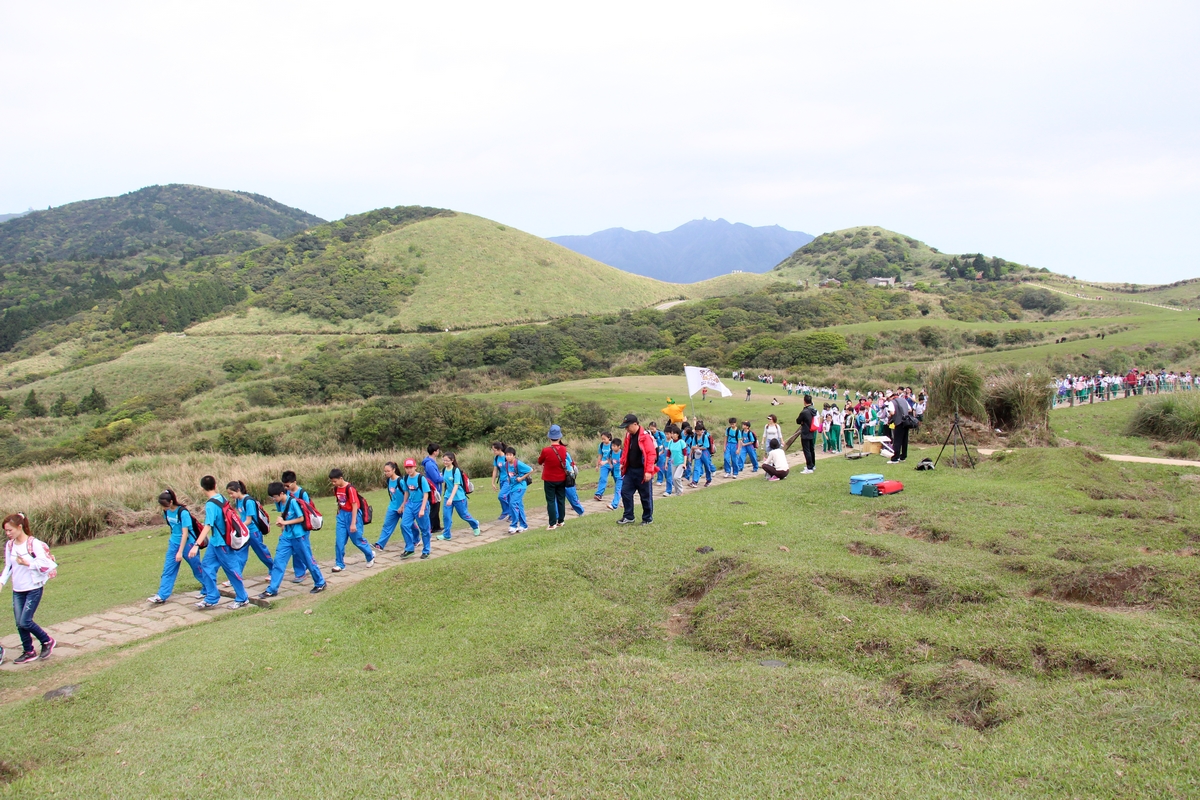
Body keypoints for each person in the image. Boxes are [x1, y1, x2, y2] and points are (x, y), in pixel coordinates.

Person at [1, 512, 57, 664]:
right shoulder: (10, 545)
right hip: (17, 590)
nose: (7, 534)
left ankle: (47, 641)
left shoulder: (34, 544)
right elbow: (8, 566)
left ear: (20, 527)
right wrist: (1, 582)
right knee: (19, 622)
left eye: (10, 530)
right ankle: (28, 651)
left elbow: (47, 564)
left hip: (33, 588)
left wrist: (28, 563)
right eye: (5, 531)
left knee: (25, 621)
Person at [258, 483, 327, 599]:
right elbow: (284, 515)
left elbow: (301, 518)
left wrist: (285, 523)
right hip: (286, 537)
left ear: (281, 493)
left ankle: (320, 583)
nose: (274, 499)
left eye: (274, 497)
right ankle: (272, 589)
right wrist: (282, 523)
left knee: (308, 560)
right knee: (279, 562)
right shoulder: (280, 503)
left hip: (299, 536)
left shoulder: (293, 502)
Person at [193, 475, 249, 610]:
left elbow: (208, 525)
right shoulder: (221, 498)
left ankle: (242, 598)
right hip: (215, 542)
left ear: (202, 489)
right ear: (215, 485)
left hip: (223, 542)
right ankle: (211, 597)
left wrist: (196, 545)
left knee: (231, 569)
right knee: (206, 566)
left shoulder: (211, 504)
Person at [148, 489, 210, 604]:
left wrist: (180, 552)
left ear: (171, 502)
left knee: (197, 568)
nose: (163, 508)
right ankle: (162, 595)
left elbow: (185, 534)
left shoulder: (183, 513)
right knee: (168, 569)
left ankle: (209, 588)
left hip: (188, 544)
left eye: (165, 505)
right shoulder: (166, 512)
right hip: (174, 543)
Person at [329, 468, 375, 572]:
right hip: (342, 515)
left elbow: (355, 506)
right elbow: (339, 502)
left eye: (335, 481)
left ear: (341, 478)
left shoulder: (350, 489)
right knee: (339, 541)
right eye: (332, 481)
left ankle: (370, 555)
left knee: (357, 540)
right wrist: (339, 513)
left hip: (353, 515)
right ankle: (339, 564)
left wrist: (353, 523)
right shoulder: (336, 489)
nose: (333, 483)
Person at [227, 481, 274, 577]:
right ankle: (236, 576)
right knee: (239, 555)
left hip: (253, 532)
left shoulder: (249, 501)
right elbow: (242, 517)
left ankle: (274, 569)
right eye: (229, 494)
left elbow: (249, 520)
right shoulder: (237, 501)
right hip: (244, 532)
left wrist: (238, 528)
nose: (231, 496)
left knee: (262, 552)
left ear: (238, 490)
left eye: (232, 493)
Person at [617, 413, 656, 526]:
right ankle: (629, 516)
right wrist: (622, 463)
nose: (627, 429)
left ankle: (647, 518)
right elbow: (625, 451)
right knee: (625, 492)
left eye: (628, 426)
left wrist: (649, 471)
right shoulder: (628, 436)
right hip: (630, 470)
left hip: (642, 471)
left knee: (645, 496)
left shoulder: (645, 436)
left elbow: (651, 454)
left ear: (635, 424)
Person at [280, 470, 312, 584]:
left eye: (287, 485)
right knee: (296, 550)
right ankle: (300, 572)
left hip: (302, 526)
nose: (286, 487)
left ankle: (308, 568)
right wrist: (283, 528)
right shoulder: (285, 493)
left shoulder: (302, 493)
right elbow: (283, 512)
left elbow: (307, 511)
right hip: (290, 527)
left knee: (303, 549)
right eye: (284, 485)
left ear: (294, 482)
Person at [441, 451, 481, 538]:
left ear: (452, 460)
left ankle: (475, 525)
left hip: (458, 497)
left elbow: (456, 485)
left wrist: (451, 499)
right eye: (444, 460)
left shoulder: (456, 470)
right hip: (448, 496)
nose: (445, 462)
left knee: (464, 515)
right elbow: (446, 483)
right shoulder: (444, 470)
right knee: (446, 516)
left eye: (447, 460)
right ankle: (446, 534)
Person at [537, 424, 570, 530]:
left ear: (549, 437)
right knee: (561, 499)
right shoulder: (564, 449)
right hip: (561, 478)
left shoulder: (545, 450)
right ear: (560, 437)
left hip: (549, 479)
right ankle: (561, 520)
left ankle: (552, 523)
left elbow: (539, 461)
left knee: (551, 501)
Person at [399, 458, 432, 558]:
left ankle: (426, 550)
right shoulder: (405, 478)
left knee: (424, 529)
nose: (409, 470)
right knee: (404, 525)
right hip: (410, 504)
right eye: (407, 468)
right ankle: (409, 548)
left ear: (415, 467)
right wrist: (403, 505)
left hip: (421, 504)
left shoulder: (421, 478)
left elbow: (426, 494)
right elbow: (406, 492)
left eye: (411, 467)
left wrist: (422, 509)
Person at [372, 461, 404, 551]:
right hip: (393, 507)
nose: (386, 473)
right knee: (387, 525)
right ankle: (380, 544)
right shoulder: (389, 481)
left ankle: (416, 539)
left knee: (407, 525)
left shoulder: (400, 481)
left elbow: (407, 494)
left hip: (403, 507)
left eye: (388, 471)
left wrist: (402, 506)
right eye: (385, 471)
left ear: (394, 470)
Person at [504, 447, 533, 533]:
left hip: (520, 486)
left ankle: (514, 525)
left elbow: (530, 470)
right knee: (519, 506)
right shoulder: (506, 464)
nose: (508, 457)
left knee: (513, 503)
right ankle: (524, 525)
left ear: (514, 456)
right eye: (507, 455)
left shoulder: (518, 464)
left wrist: (522, 478)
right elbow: (509, 474)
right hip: (513, 487)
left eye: (510, 455)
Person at [423, 444, 445, 534]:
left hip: (436, 488)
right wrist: (445, 477)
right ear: (435, 451)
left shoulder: (432, 462)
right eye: (438, 450)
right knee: (434, 509)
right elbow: (436, 478)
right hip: (433, 489)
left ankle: (436, 526)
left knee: (436, 508)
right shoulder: (429, 464)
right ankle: (431, 527)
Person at [887, 389, 912, 464]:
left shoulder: (892, 402)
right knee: (904, 440)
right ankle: (903, 456)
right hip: (906, 422)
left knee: (897, 440)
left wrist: (890, 417)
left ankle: (895, 458)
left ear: (891, 397)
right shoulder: (904, 400)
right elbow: (910, 409)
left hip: (898, 422)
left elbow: (892, 412)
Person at [491, 441, 512, 524]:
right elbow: (495, 470)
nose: (493, 452)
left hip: (509, 480)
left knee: (501, 496)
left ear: (499, 449)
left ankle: (506, 511)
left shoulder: (506, 457)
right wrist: (492, 482)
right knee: (508, 497)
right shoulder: (496, 458)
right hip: (502, 480)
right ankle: (511, 514)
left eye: (494, 450)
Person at [796, 395, 817, 474]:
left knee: (807, 450)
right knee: (811, 449)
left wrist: (802, 422)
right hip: (812, 431)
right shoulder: (814, 410)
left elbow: (798, 421)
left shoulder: (804, 412)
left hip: (805, 432)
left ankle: (809, 467)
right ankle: (812, 464)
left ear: (804, 401)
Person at [664, 425, 688, 496]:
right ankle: (677, 492)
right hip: (673, 463)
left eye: (673, 433)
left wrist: (684, 463)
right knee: (674, 479)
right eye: (671, 433)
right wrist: (666, 463)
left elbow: (685, 454)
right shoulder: (671, 442)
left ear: (677, 434)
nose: (672, 435)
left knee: (677, 477)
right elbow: (668, 453)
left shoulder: (681, 442)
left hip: (681, 463)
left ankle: (680, 490)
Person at [689, 421, 714, 487]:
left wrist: (697, 447)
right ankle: (694, 481)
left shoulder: (705, 437)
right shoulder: (695, 437)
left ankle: (708, 480)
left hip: (705, 453)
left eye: (698, 431)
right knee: (696, 466)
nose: (697, 433)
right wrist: (690, 456)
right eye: (696, 431)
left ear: (702, 430)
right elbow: (692, 446)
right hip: (698, 453)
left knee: (707, 466)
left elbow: (706, 446)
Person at [594, 432, 617, 502]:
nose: (603, 440)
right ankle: (599, 494)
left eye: (604, 439)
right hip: (604, 465)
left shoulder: (613, 445)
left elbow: (616, 455)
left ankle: (620, 493)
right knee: (602, 478)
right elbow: (600, 455)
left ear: (609, 438)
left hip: (613, 464)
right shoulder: (601, 445)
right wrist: (597, 465)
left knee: (617, 479)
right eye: (602, 439)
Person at [563, 449, 586, 516]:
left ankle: (580, 511)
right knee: (556, 500)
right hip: (558, 482)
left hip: (568, 482)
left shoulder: (565, 460)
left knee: (573, 498)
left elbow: (572, 471)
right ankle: (556, 516)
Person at [649, 421, 668, 487]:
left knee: (659, 466)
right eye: (650, 429)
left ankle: (660, 479)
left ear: (656, 428)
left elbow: (665, 441)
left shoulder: (661, 434)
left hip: (660, 452)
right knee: (651, 465)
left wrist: (662, 447)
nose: (652, 430)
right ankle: (651, 478)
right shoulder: (649, 434)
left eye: (653, 428)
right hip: (652, 452)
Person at [607, 438, 624, 510]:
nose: (613, 447)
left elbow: (625, 461)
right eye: (612, 446)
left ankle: (614, 504)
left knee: (617, 489)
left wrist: (622, 466)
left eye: (614, 446)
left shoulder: (622, 453)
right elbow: (608, 458)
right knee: (622, 489)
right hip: (615, 473)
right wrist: (610, 464)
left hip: (621, 474)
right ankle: (625, 501)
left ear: (619, 446)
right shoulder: (611, 452)